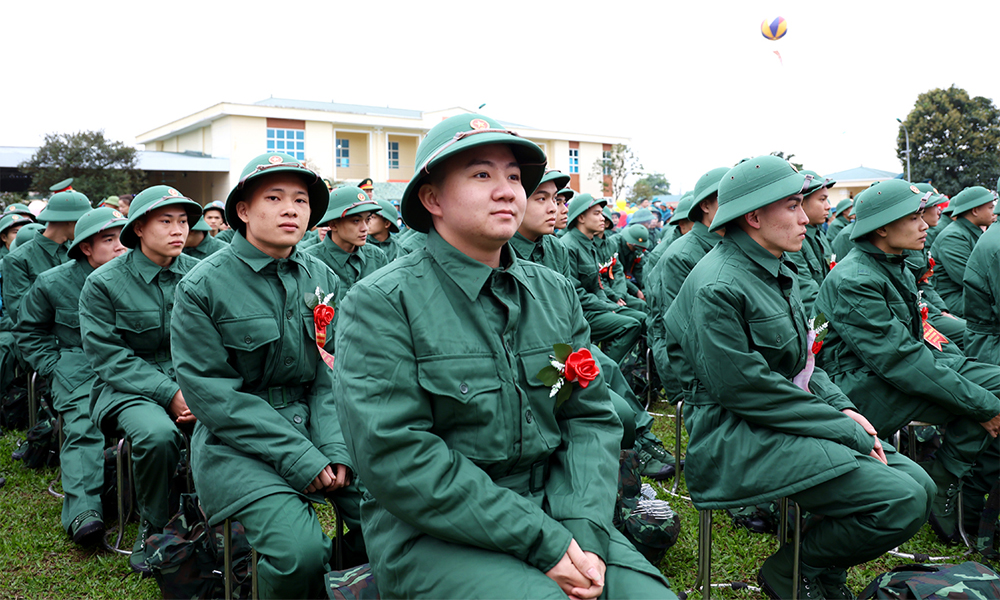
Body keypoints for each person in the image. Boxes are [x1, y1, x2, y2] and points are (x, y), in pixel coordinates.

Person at [334, 112, 674, 600]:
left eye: (514, 176)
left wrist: (584, 530)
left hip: (560, 509)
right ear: (432, 199)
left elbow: (589, 418)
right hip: (436, 532)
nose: (507, 190)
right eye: (481, 175)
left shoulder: (554, 293)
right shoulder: (382, 304)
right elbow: (400, 458)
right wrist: (546, 543)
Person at [665, 157, 933, 599]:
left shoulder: (772, 269)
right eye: (792, 206)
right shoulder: (719, 284)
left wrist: (842, 405)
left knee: (917, 485)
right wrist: (841, 427)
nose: (806, 216)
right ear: (753, 217)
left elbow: (803, 362)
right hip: (735, 432)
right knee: (899, 501)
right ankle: (794, 570)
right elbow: (745, 389)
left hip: (782, 415)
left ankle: (821, 573)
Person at [172, 153, 367, 598]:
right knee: (298, 552)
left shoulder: (319, 275)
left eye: (300, 200)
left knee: (390, 518)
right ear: (242, 211)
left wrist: (335, 446)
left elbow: (328, 371)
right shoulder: (202, 286)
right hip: (236, 443)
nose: (291, 209)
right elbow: (213, 395)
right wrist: (299, 456)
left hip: (318, 426)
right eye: (274, 197)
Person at [815, 179, 1000, 544]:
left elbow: (915, 342)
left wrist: (966, 373)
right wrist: (982, 405)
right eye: (914, 217)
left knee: (992, 383)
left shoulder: (890, 263)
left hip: (890, 371)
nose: (926, 224)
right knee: (987, 398)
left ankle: (956, 476)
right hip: (860, 388)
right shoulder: (856, 278)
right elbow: (900, 361)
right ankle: (948, 477)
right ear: (882, 227)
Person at [79, 185, 203, 574]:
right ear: (138, 230)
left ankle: (213, 520)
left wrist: (200, 391)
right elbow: (109, 357)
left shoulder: (201, 274)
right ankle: (154, 526)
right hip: (126, 389)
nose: (177, 230)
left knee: (228, 424)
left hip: (193, 380)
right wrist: (170, 394)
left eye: (182, 221)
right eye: (165, 221)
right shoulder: (103, 282)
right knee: (157, 435)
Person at [14, 207, 127, 545]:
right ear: (86, 248)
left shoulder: (136, 275)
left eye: (124, 238)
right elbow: (29, 330)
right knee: (82, 423)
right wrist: (54, 365)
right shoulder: (53, 282)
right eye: (109, 240)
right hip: (78, 365)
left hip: (130, 363)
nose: (121, 246)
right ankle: (84, 511)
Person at [559, 193, 642, 364]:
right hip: (580, 312)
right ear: (581, 217)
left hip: (594, 306)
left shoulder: (589, 243)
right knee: (631, 325)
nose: (603, 218)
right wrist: (605, 306)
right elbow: (575, 292)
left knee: (642, 318)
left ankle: (633, 371)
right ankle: (605, 373)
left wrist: (607, 304)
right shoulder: (568, 245)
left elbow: (598, 285)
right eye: (596, 213)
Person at [305, 185, 389, 309]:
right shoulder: (310, 262)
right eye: (356, 221)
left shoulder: (377, 257)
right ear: (333, 224)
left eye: (368, 219)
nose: (365, 228)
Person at [930, 186, 997, 317]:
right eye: (990, 207)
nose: (994, 211)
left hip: (968, 295)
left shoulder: (969, 232)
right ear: (975, 211)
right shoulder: (953, 237)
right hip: (955, 299)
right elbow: (971, 280)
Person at [786, 171, 835, 317]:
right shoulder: (792, 240)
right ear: (802, 202)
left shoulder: (819, 234)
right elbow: (808, 295)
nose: (828, 207)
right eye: (822, 200)